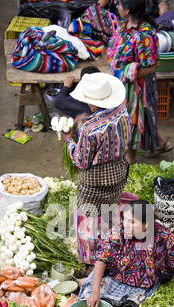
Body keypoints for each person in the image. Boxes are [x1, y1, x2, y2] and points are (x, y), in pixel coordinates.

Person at [78, 199, 174, 307]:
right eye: (124, 219)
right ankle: (84, 282)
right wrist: (95, 293)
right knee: (89, 298)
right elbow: (101, 260)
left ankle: (83, 281)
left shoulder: (161, 234)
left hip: (144, 283)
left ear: (146, 225)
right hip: (117, 276)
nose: (125, 224)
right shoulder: (118, 232)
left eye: (132, 222)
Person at [60, 72, 131, 266]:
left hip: (95, 183)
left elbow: (81, 161)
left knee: (88, 222)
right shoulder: (122, 112)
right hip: (118, 173)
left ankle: (93, 262)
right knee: (109, 213)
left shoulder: (90, 129)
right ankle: (111, 252)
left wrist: (68, 141)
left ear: (91, 102)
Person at [107, 0, 172, 165]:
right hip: (123, 83)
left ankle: (129, 160)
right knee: (132, 120)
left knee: (133, 122)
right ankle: (160, 144)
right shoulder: (123, 25)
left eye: (120, 4)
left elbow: (151, 66)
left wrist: (126, 72)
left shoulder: (145, 35)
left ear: (127, 10)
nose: (117, 7)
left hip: (138, 88)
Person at [98, 0, 168, 18]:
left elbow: (162, 4)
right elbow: (99, 5)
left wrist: (165, 19)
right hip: (118, 21)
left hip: (142, 19)